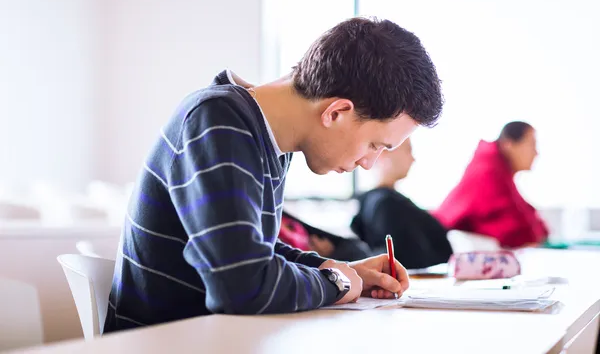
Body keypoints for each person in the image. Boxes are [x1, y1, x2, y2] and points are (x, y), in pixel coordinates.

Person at [105, 17, 443, 332]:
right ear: (337, 112)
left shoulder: (262, 138)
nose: (370, 163)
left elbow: (252, 254)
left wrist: (343, 270)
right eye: (374, 144)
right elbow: (241, 287)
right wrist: (337, 283)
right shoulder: (217, 123)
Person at [434, 121, 548, 248]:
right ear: (508, 145)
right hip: (440, 240)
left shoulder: (499, 170)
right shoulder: (488, 171)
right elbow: (512, 228)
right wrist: (538, 236)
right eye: (532, 144)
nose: (536, 153)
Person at [351, 138, 453, 269]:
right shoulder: (387, 204)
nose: (413, 159)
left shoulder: (375, 201)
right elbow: (410, 259)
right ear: (383, 153)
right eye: (408, 150)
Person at [279, 210, 373, 262]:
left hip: (323, 251)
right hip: (311, 258)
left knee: (358, 249)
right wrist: (315, 256)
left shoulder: (279, 212)